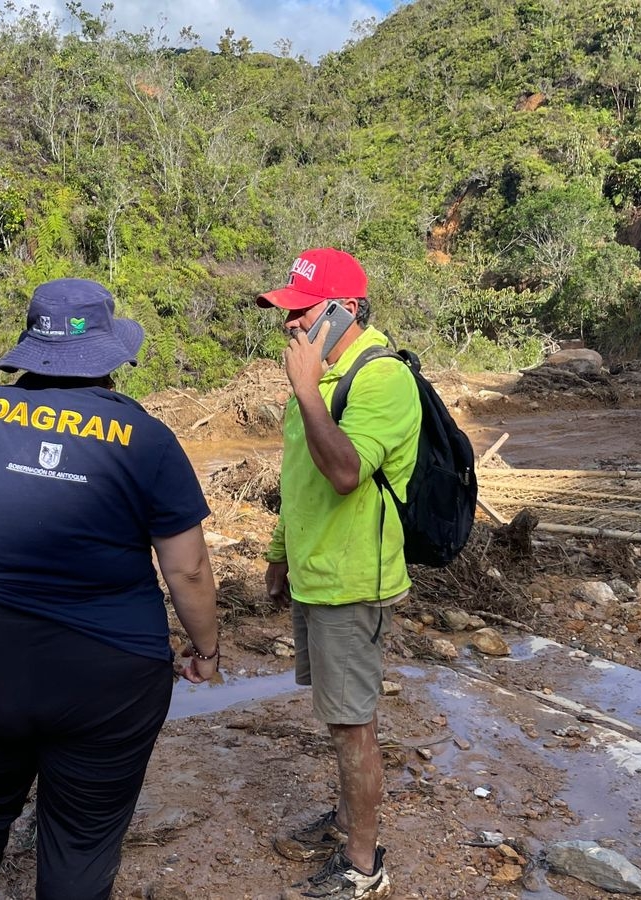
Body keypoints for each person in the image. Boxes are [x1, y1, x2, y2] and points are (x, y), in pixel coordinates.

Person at [0, 277, 220, 900]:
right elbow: (187, 569)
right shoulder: (148, 438)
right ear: (111, 359)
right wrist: (205, 650)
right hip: (108, 671)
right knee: (83, 833)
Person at [258, 248, 419, 900]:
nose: (289, 326)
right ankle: (348, 819)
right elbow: (299, 477)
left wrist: (303, 389)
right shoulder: (322, 375)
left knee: (354, 726)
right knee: (340, 719)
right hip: (314, 573)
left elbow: (345, 472)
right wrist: (277, 552)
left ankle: (362, 865)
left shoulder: (381, 379)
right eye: (286, 313)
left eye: (301, 313)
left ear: (344, 310)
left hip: (354, 582)